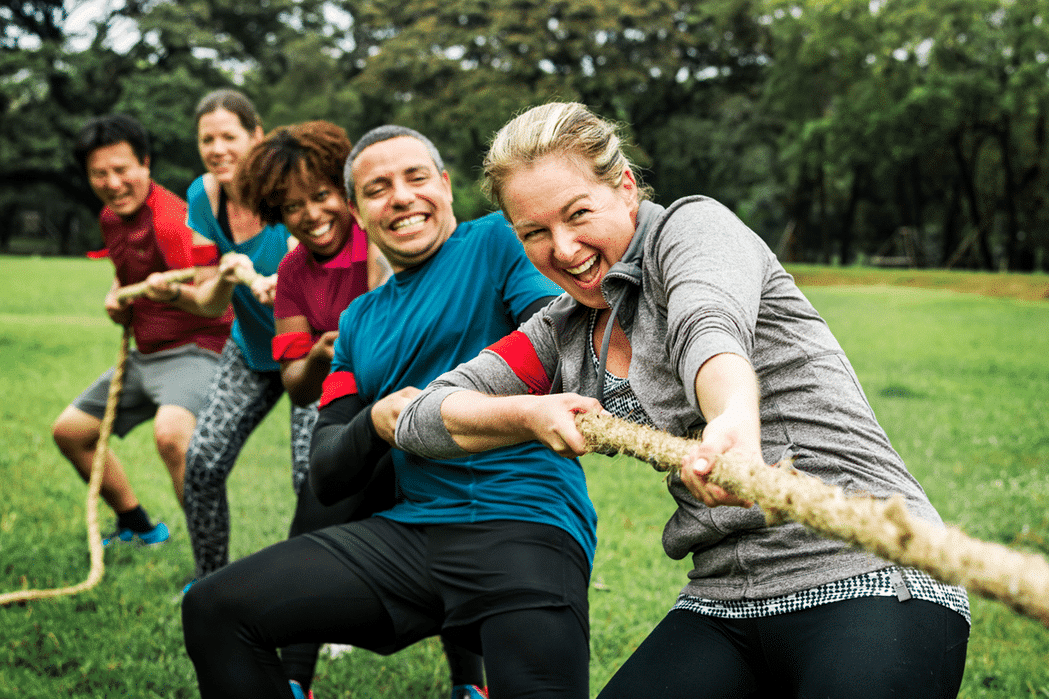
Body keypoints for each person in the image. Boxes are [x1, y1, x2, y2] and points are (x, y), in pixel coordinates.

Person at [395, 102, 972, 699]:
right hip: (724, 601)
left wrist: (733, 424)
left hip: (870, 573)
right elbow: (424, 418)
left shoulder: (692, 230)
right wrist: (527, 412)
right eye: (534, 233)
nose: (563, 249)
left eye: (577, 214)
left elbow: (708, 328)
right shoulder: (559, 331)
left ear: (624, 188)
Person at [183, 124, 594, 699]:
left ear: (446, 186)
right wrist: (377, 419)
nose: (401, 197)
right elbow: (327, 473)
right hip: (413, 537)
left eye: (416, 178)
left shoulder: (496, 243)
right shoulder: (357, 322)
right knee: (214, 608)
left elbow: (560, 342)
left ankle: (466, 681)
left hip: (524, 526)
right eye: (378, 188)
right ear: (358, 210)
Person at [236, 119, 481, 699]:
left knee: (456, 534)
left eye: (320, 197)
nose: (311, 214)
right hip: (354, 415)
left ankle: (471, 684)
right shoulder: (294, 273)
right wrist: (325, 351)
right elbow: (296, 383)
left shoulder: (382, 235)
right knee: (313, 518)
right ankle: (295, 679)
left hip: (429, 408)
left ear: (346, 198)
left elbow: (398, 314)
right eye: (291, 207)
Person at [52, 114, 232, 546]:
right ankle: (138, 526)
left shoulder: (174, 220)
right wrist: (118, 297)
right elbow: (129, 274)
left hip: (197, 348)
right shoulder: (112, 219)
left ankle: (213, 566)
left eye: (122, 169)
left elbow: (213, 303)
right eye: (100, 173)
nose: (113, 183)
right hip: (144, 355)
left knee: (171, 434)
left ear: (145, 164)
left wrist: (169, 296)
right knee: (71, 433)